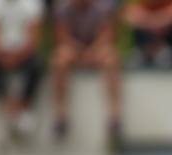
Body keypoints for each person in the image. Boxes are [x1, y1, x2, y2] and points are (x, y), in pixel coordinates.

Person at [51, 0, 123, 141]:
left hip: (97, 49)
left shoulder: (104, 7)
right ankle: (60, 115)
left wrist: (91, 51)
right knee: (59, 60)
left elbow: (108, 34)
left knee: (112, 59)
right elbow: (61, 36)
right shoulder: (62, 8)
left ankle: (114, 115)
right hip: (73, 49)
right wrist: (80, 51)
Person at [0, 0, 44, 136]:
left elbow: (33, 39)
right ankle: (10, 106)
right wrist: (3, 57)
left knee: (37, 65)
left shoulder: (32, 4)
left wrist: (17, 57)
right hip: (0, 53)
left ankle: (23, 106)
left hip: (23, 52)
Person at [123, 0, 172, 68]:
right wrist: (164, 18)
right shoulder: (139, 3)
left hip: (168, 53)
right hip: (142, 53)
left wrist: (146, 20)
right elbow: (130, 16)